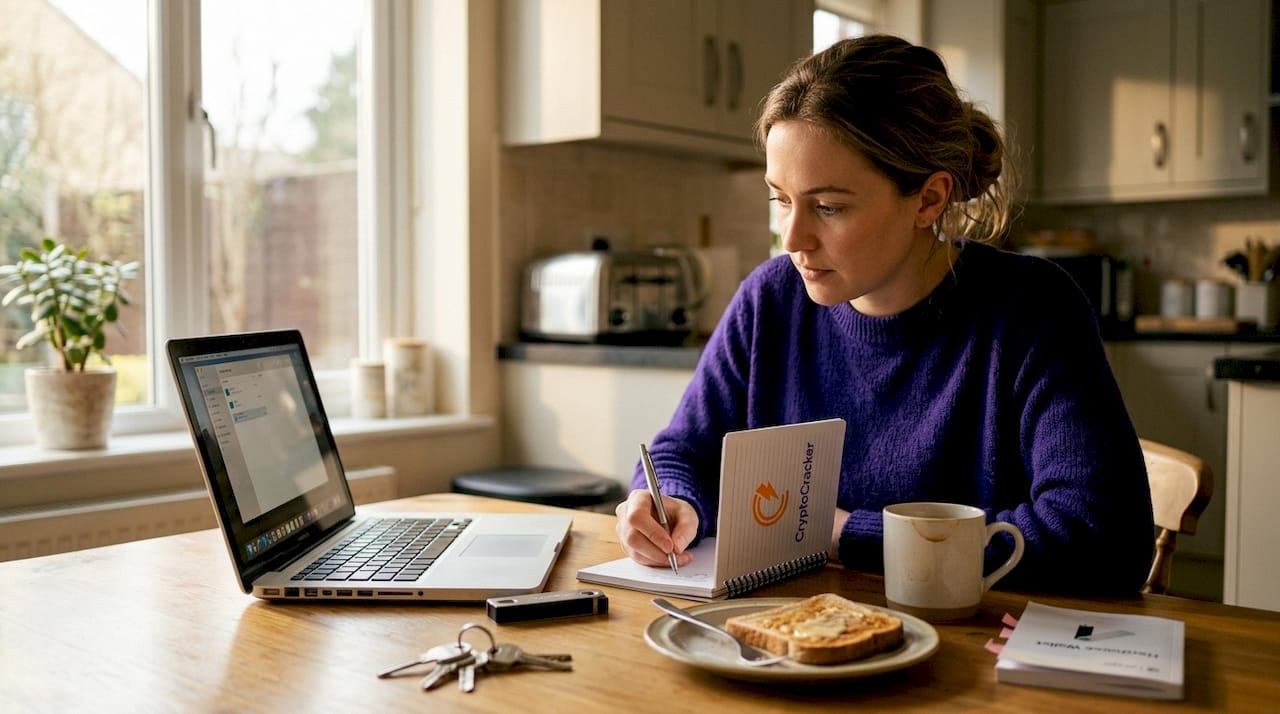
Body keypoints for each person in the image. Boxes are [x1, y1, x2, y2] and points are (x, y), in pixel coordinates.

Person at [614, 34, 1154, 595]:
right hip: (793, 644)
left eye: (829, 207)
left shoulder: (1032, 308)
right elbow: (684, 451)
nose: (793, 238)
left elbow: (1104, 538)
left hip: (972, 657)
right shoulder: (770, 299)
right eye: (781, 199)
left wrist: (849, 536)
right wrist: (669, 499)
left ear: (928, 199)